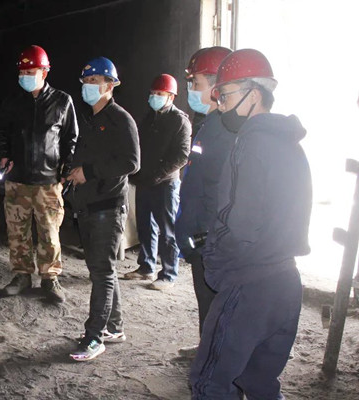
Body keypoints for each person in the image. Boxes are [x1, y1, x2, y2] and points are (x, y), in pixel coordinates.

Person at [189, 49, 312, 399]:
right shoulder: (290, 143)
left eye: (226, 96)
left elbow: (238, 223)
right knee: (259, 383)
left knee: (210, 383)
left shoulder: (250, 144)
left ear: (254, 94)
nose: (221, 105)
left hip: (249, 284)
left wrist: (214, 264)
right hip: (285, 281)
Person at [67, 57, 140, 361]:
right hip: (89, 204)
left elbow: (132, 162)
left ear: (110, 85)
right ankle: (114, 326)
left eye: (94, 81)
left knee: (102, 273)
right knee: (102, 269)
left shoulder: (120, 119)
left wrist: (89, 172)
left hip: (107, 206)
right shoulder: (90, 119)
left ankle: (94, 336)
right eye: (85, 82)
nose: (88, 86)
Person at [0, 45, 78, 303]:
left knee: (49, 234)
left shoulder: (62, 101)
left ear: (44, 72)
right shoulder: (12, 101)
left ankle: (50, 278)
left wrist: (65, 170)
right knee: (17, 233)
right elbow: (1, 131)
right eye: (22, 72)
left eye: (31, 72)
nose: (25, 76)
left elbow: (71, 139)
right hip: (17, 180)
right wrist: (4, 154)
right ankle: (21, 275)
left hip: (48, 182)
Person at [175, 46, 234, 337]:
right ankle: (206, 348)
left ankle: (212, 355)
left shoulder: (225, 130)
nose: (191, 90)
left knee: (216, 305)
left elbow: (219, 192)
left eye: (195, 83)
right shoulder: (209, 124)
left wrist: (206, 236)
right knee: (207, 305)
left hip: (210, 239)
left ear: (216, 86)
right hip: (200, 237)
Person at [125, 74, 191, 291]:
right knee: (145, 226)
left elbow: (182, 155)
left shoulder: (179, 121)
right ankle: (146, 266)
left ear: (171, 96)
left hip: (165, 184)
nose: (154, 97)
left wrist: (157, 175)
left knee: (167, 231)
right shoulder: (149, 118)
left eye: (159, 94)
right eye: (152, 93)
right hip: (145, 182)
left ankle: (168, 274)